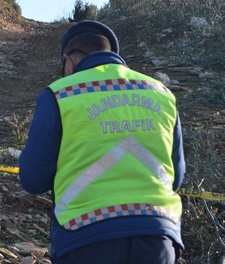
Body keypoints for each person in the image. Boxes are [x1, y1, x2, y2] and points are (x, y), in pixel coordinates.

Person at [18, 20, 185, 263]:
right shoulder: (161, 93)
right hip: (157, 236)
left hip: (85, 237)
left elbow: (32, 180)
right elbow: (177, 178)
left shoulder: (60, 94)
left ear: (70, 60)